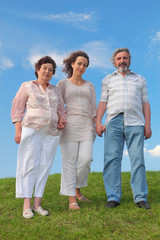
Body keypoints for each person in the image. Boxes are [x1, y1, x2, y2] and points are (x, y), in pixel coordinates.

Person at [96, 48, 152, 210]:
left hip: (136, 122)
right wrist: (98, 122)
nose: (122, 61)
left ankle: (140, 197)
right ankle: (113, 197)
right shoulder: (107, 79)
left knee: (138, 160)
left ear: (129, 60)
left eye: (125, 58)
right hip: (113, 121)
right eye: (119, 58)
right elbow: (103, 102)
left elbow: (145, 103)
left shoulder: (140, 79)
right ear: (114, 62)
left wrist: (147, 125)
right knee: (112, 159)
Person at [11, 56, 66, 219]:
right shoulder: (27, 86)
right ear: (37, 69)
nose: (47, 71)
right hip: (31, 129)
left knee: (44, 165)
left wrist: (62, 119)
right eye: (44, 68)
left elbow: (61, 109)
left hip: (51, 132)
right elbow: (18, 108)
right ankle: (26, 205)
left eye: (50, 70)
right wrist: (18, 130)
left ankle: (38, 204)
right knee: (29, 164)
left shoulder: (55, 90)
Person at [57, 51, 97, 210]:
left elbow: (94, 108)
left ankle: (77, 189)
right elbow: (58, 106)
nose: (82, 67)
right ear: (72, 64)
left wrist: (98, 123)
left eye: (85, 65)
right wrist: (59, 119)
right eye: (79, 63)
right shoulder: (63, 84)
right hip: (69, 125)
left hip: (87, 125)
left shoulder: (90, 85)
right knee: (69, 162)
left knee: (86, 160)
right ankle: (72, 198)